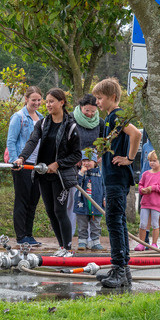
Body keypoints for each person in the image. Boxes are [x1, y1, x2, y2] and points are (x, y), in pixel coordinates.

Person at [13, 88, 82, 257]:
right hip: (43, 174)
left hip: (61, 176)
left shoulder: (71, 126)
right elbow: (32, 141)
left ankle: (68, 248)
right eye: (47, 101)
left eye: (51, 101)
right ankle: (61, 247)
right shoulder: (43, 123)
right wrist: (21, 158)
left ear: (62, 102)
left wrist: (58, 164)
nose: (48, 104)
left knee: (60, 211)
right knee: (50, 211)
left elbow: (76, 155)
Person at [92, 78, 141, 288]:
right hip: (112, 177)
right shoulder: (110, 118)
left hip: (117, 177)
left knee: (113, 221)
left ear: (112, 97)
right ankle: (124, 270)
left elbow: (136, 133)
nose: (97, 102)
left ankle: (119, 268)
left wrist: (129, 158)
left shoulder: (116, 116)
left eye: (100, 98)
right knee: (117, 221)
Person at [6, 87, 44, 245]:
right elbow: (11, 140)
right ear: (26, 100)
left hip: (38, 165)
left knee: (33, 200)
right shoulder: (19, 117)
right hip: (23, 164)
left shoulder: (42, 118)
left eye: (38, 100)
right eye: (33, 99)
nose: (36, 103)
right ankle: (21, 236)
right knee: (22, 199)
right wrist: (16, 161)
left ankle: (29, 234)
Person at [68, 93, 103, 240]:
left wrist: (99, 157)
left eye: (93, 111)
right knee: (73, 200)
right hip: (74, 165)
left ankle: (91, 237)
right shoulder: (71, 119)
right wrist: (74, 157)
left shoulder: (100, 122)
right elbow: (66, 140)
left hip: (93, 167)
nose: (90, 114)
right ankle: (69, 234)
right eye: (87, 110)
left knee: (92, 199)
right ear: (81, 107)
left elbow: (103, 142)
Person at [135, 150, 160, 251]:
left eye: (154, 160)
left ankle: (154, 244)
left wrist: (152, 188)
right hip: (145, 203)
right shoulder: (145, 174)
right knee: (143, 224)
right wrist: (142, 190)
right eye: (150, 161)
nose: (152, 163)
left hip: (156, 204)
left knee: (155, 224)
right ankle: (142, 243)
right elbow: (140, 185)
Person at [73, 158, 104, 251]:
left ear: (95, 162)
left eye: (89, 160)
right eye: (84, 161)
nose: (86, 163)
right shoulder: (80, 174)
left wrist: (105, 198)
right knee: (82, 224)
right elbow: (76, 183)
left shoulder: (100, 174)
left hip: (96, 204)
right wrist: (81, 173)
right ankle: (82, 241)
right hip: (82, 203)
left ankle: (95, 241)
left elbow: (104, 187)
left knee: (96, 224)